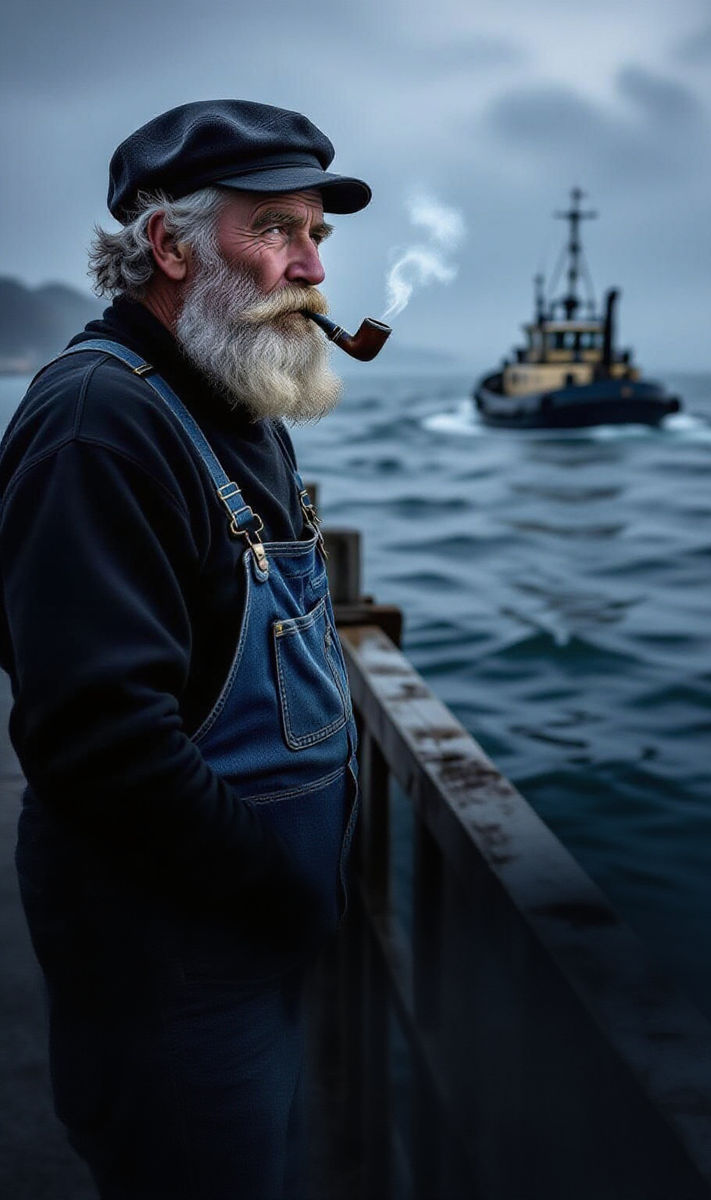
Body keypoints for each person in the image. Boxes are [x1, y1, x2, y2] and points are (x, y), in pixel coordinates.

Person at [0, 100, 372, 1199]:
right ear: (169, 247)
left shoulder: (229, 402)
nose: (308, 265)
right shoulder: (97, 422)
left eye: (317, 234)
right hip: (172, 967)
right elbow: (99, 742)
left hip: (243, 949)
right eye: (275, 230)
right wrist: (277, 890)